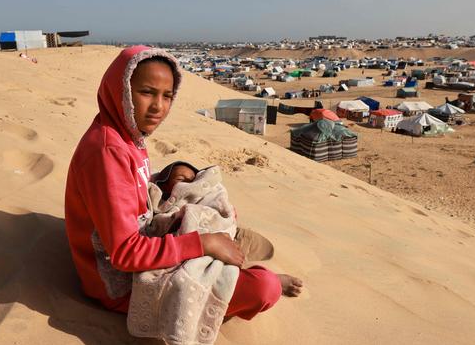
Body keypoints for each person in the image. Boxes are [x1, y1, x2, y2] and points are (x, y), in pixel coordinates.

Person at [64, 46, 301, 324]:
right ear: (121, 91)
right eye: (146, 92)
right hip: (119, 285)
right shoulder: (107, 151)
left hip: (144, 239)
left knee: (197, 187)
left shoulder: (125, 133)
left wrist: (171, 180)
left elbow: (127, 192)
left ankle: (224, 245)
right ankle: (238, 262)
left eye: (167, 96)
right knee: (264, 289)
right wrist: (204, 243)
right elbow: (125, 254)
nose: (158, 107)